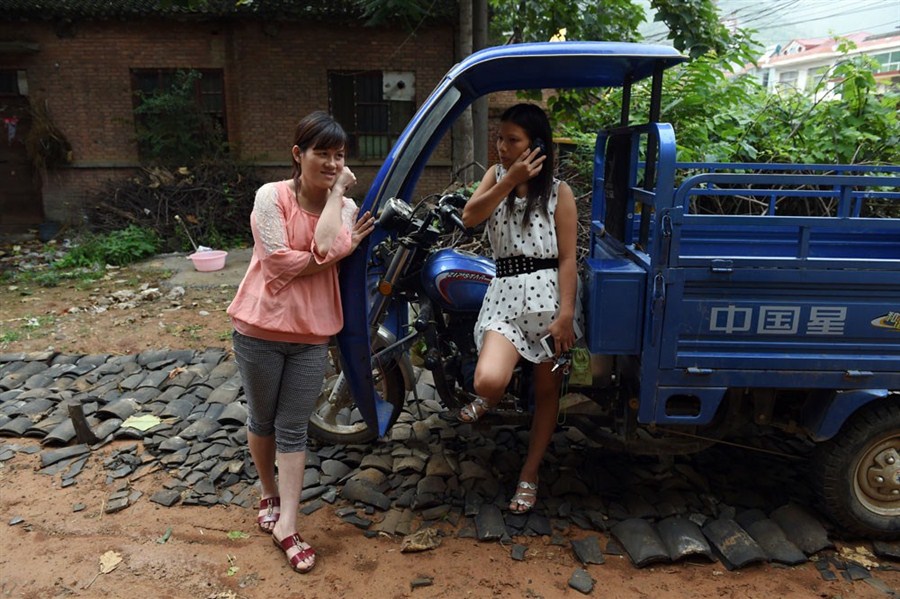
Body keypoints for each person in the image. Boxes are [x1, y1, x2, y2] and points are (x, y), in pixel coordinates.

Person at [227, 111, 375, 573]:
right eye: (322, 154)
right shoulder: (270, 197)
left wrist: (336, 197)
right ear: (298, 155)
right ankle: (267, 493)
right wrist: (329, 254)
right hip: (259, 330)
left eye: (340, 155)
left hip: (312, 334)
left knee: (293, 427)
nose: (333, 163)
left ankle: (287, 523)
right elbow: (278, 264)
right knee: (262, 419)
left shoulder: (345, 206)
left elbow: (323, 247)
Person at [459, 103, 581, 514]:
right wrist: (507, 180)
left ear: (536, 145)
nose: (502, 147)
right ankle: (493, 396)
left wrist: (566, 315)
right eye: (500, 138)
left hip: (549, 301)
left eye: (513, 140)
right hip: (506, 296)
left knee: (547, 395)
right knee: (489, 380)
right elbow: (470, 218)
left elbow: (567, 259)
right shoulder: (495, 177)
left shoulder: (560, 193)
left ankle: (529, 474)